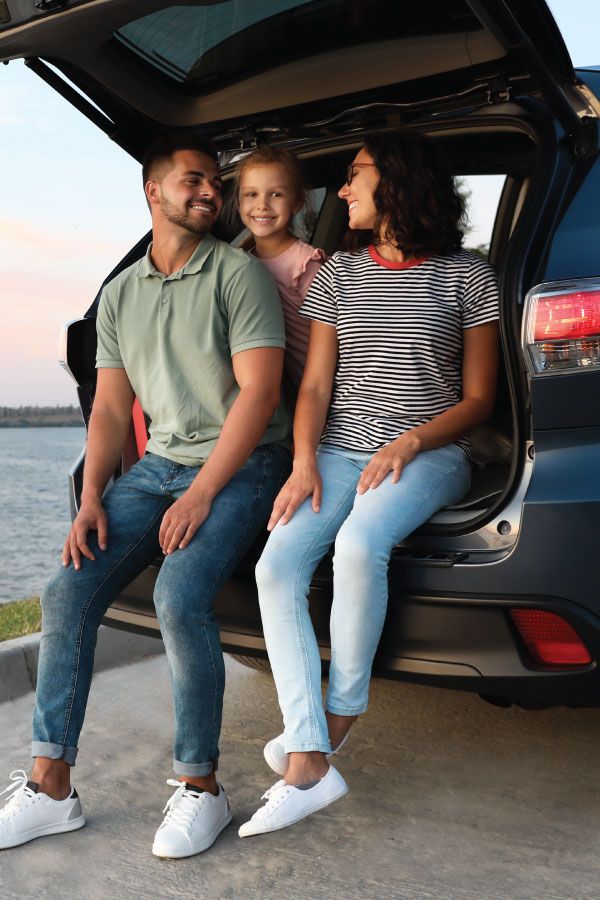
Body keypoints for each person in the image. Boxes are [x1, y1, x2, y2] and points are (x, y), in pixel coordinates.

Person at [0, 134, 291, 857]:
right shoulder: (121, 294)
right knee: (66, 591)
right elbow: (107, 408)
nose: (210, 192)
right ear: (152, 191)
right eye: (194, 180)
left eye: (215, 183)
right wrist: (92, 496)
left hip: (244, 463)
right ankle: (51, 788)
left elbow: (260, 395)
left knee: (178, 595)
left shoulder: (238, 275)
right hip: (158, 466)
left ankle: (202, 788)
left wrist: (202, 493)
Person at [239, 130, 500, 837]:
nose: (346, 188)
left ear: (399, 182)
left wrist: (410, 442)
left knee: (358, 546)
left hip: (429, 453)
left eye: (356, 174)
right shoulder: (338, 274)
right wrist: (303, 461)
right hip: (336, 451)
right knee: (275, 567)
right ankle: (308, 747)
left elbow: (479, 400)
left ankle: (331, 729)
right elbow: (315, 386)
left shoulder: (467, 278)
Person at [234, 145, 326, 395]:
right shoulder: (240, 262)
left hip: (320, 392)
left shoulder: (306, 265)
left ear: (296, 202)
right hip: (280, 391)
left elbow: (335, 342)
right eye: (251, 194)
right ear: (239, 202)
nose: (262, 205)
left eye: (276, 194)